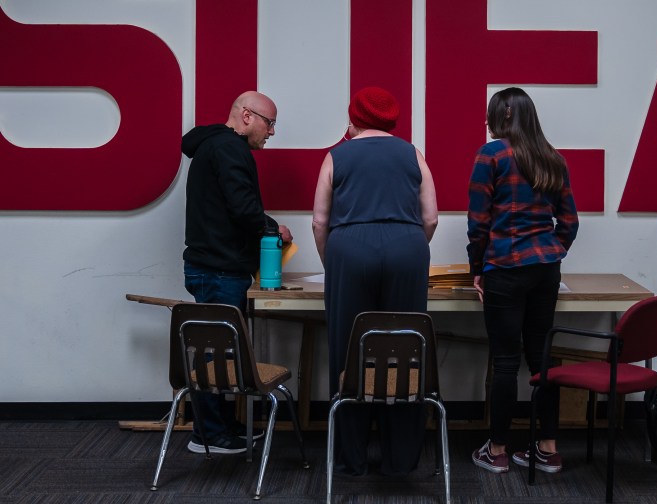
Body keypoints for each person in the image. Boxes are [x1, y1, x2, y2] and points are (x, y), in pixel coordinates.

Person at [311, 86, 438, 476]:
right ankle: (401, 459)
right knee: (405, 349)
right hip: (406, 247)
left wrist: (333, 262)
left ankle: (352, 458)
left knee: (349, 348)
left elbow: (320, 220)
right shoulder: (412, 153)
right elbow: (430, 217)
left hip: (349, 248)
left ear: (353, 120)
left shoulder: (337, 155)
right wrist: (409, 245)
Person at [467, 87, 579, 475]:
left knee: (505, 363)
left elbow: (478, 222)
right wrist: (551, 251)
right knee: (541, 358)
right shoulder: (552, 157)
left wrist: (476, 269)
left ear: (501, 117)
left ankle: (497, 450)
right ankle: (547, 448)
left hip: (504, 269)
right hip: (545, 270)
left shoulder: (492, 154)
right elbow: (570, 222)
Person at [181, 90, 293, 455]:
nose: (272, 132)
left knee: (218, 352)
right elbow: (243, 207)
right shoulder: (230, 149)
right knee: (216, 356)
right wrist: (275, 228)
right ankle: (209, 435)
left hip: (210, 267)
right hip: (220, 270)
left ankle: (221, 426)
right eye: (269, 123)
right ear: (247, 116)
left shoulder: (213, 146)